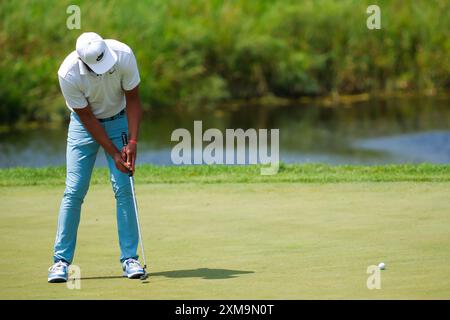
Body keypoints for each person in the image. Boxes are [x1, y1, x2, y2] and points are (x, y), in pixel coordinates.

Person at [48, 32, 144, 282]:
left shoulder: (123, 55)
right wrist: (113, 152)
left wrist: (132, 141)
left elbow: (133, 99)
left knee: (124, 187)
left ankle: (130, 258)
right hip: (84, 124)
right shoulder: (68, 73)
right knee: (74, 189)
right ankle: (60, 262)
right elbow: (88, 117)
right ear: (83, 62)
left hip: (119, 119)